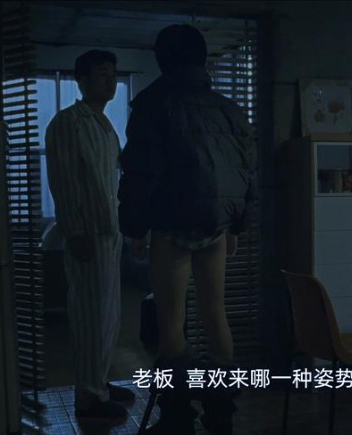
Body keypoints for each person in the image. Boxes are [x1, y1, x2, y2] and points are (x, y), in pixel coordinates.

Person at [118, 24, 257, 435]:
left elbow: (142, 172)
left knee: (171, 322)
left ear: (162, 60)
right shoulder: (228, 108)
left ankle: (178, 416)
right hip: (216, 224)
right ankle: (221, 413)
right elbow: (247, 170)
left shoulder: (152, 103)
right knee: (216, 314)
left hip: (172, 224)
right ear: (202, 59)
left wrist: (135, 227)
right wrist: (236, 225)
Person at [45, 49, 135, 420]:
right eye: (102, 74)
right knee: (90, 316)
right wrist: (76, 230)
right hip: (89, 233)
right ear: (81, 81)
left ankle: (100, 381)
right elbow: (64, 180)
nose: (110, 81)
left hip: (109, 231)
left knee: (108, 315)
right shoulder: (70, 123)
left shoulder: (103, 124)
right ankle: (89, 397)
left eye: (113, 74)